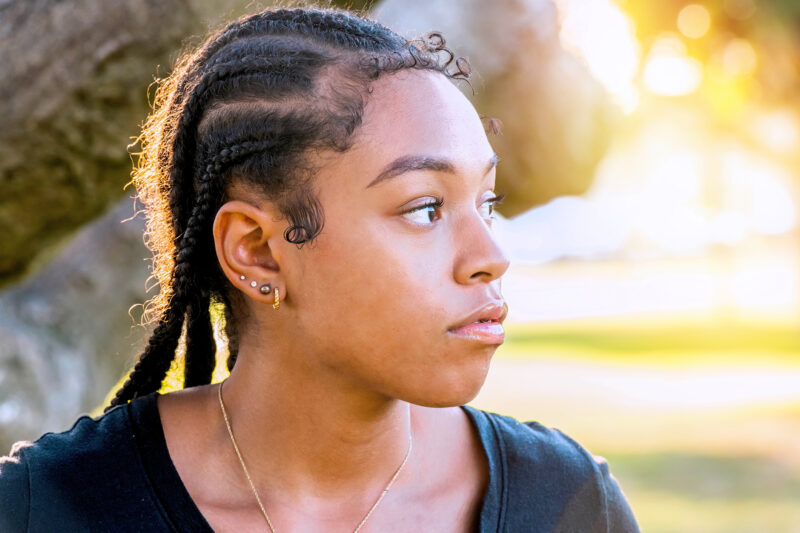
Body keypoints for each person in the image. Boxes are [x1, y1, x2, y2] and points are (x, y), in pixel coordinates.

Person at [0, 6, 639, 532]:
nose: (491, 257)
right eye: (425, 208)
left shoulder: (569, 505)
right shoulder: (48, 511)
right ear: (256, 250)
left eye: (486, 202)